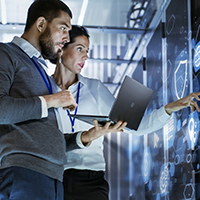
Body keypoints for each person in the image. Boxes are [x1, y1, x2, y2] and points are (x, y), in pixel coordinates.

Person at [52, 25, 200, 200]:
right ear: (61, 48)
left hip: (90, 181)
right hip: (53, 178)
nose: (86, 56)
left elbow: (137, 126)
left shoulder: (94, 88)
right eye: (80, 49)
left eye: (87, 50)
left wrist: (168, 109)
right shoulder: (43, 90)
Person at [0, 1, 126, 200]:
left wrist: (86, 136)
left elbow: (48, 137)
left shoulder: (39, 69)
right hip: (25, 172)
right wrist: (51, 101)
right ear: (41, 24)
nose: (66, 37)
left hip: (54, 178)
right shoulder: (6, 54)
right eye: (63, 28)